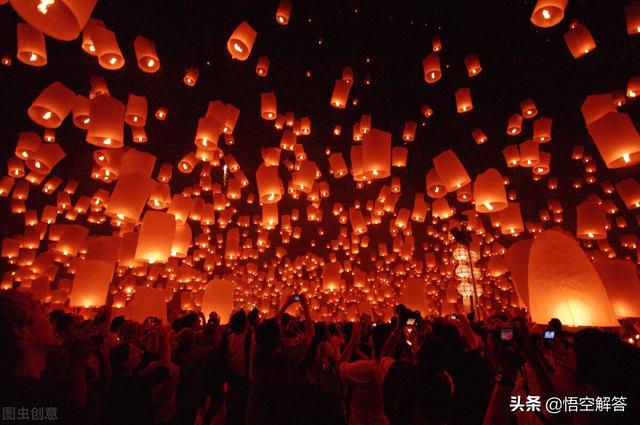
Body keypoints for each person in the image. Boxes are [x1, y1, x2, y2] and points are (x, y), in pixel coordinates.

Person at [0, 290, 86, 424]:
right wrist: (78, 368)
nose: (49, 319)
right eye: (41, 310)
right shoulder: (37, 400)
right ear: (21, 329)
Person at [247, 294, 315, 425]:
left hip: (256, 409)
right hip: (277, 411)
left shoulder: (257, 353)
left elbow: (268, 329)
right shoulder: (286, 357)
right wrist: (305, 306)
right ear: (278, 338)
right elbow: (310, 334)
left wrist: (286, 305)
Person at [381, 311, 454, 425]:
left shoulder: (405, 373)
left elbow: (385, 356)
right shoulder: (446, 379)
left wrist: (398, 328)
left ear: (418, 355)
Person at [339, 321, 390, 425]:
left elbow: (340, 367)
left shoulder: (368, 369)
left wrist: (352, 342)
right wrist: (357, 349)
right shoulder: (389, 365)